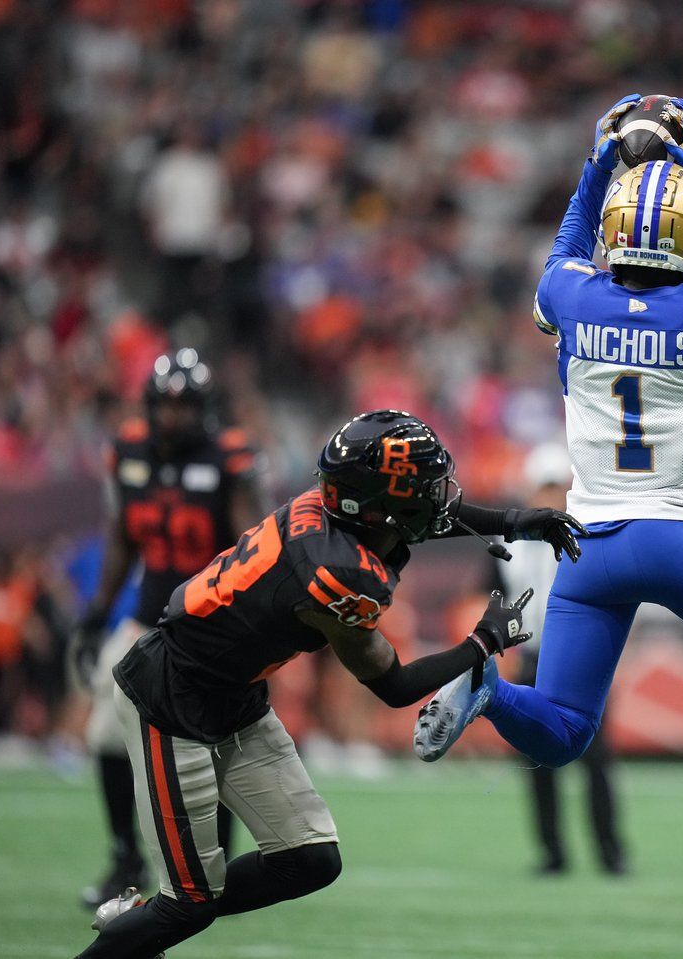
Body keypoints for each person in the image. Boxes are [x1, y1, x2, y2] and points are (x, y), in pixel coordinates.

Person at [414, 95, 683, 780]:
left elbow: (564, 249)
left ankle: (488, 689)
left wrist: (597, 165)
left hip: (588, 546)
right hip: (676, 536)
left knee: (561, 730)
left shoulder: (572, 293)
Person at [75, 410, 584, 959]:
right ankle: (151, 919)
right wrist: (482, 643)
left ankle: (152, 916)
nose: (438, 497)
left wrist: (518, 521)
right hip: (171, 699)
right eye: (421, 488)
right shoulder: (336, 572)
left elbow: (418, 516)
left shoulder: (334, 514)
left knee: (310, 858)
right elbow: (392, 684)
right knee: (187, 904)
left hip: (236, 697)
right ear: (377, 504)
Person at [70, 350, 265, 909]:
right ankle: (124, 858)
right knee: (105, 734)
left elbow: (250, 542)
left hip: (210, 620)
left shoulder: (230, 455)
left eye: (185, 405)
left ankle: (218, 867)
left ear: (202, 408)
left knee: (216, 738)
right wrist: (97, 610)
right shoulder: (128, 449)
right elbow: (121, 537)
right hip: (146, 617)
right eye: (166, 404)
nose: (174, 416)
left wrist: (248, 620)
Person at [498, 443, 625, 876]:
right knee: (537, 762)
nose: (552, 497)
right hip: (532, 658)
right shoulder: (509, 540)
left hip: (584, 660)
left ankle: (611, 853)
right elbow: (492, 595)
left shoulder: (591, 531)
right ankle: (553, 853)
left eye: (558, 487)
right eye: (545, 487)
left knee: (597, 761)